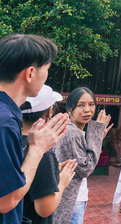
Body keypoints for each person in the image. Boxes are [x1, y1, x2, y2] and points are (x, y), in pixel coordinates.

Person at [0, 34, 69, 224]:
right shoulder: (5, 122)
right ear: (30, 73)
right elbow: (6, 200)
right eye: (46, 69)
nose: (46, 76)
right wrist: (37, 149)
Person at [51, 88, 111, 224]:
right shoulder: (72, 133)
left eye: (91, 104)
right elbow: (85, 168)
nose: (87, 110)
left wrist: (97, 139)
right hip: (72, 200)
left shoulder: (76, 131)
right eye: (80, 105)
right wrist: (96, 136)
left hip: (74, 197)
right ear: (69, 110)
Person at [20, 85, 77, 224]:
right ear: (49, 113)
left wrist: (53, 172)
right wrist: (62, 182)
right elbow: (44, 209)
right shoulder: (41, 151)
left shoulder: (9, 140)